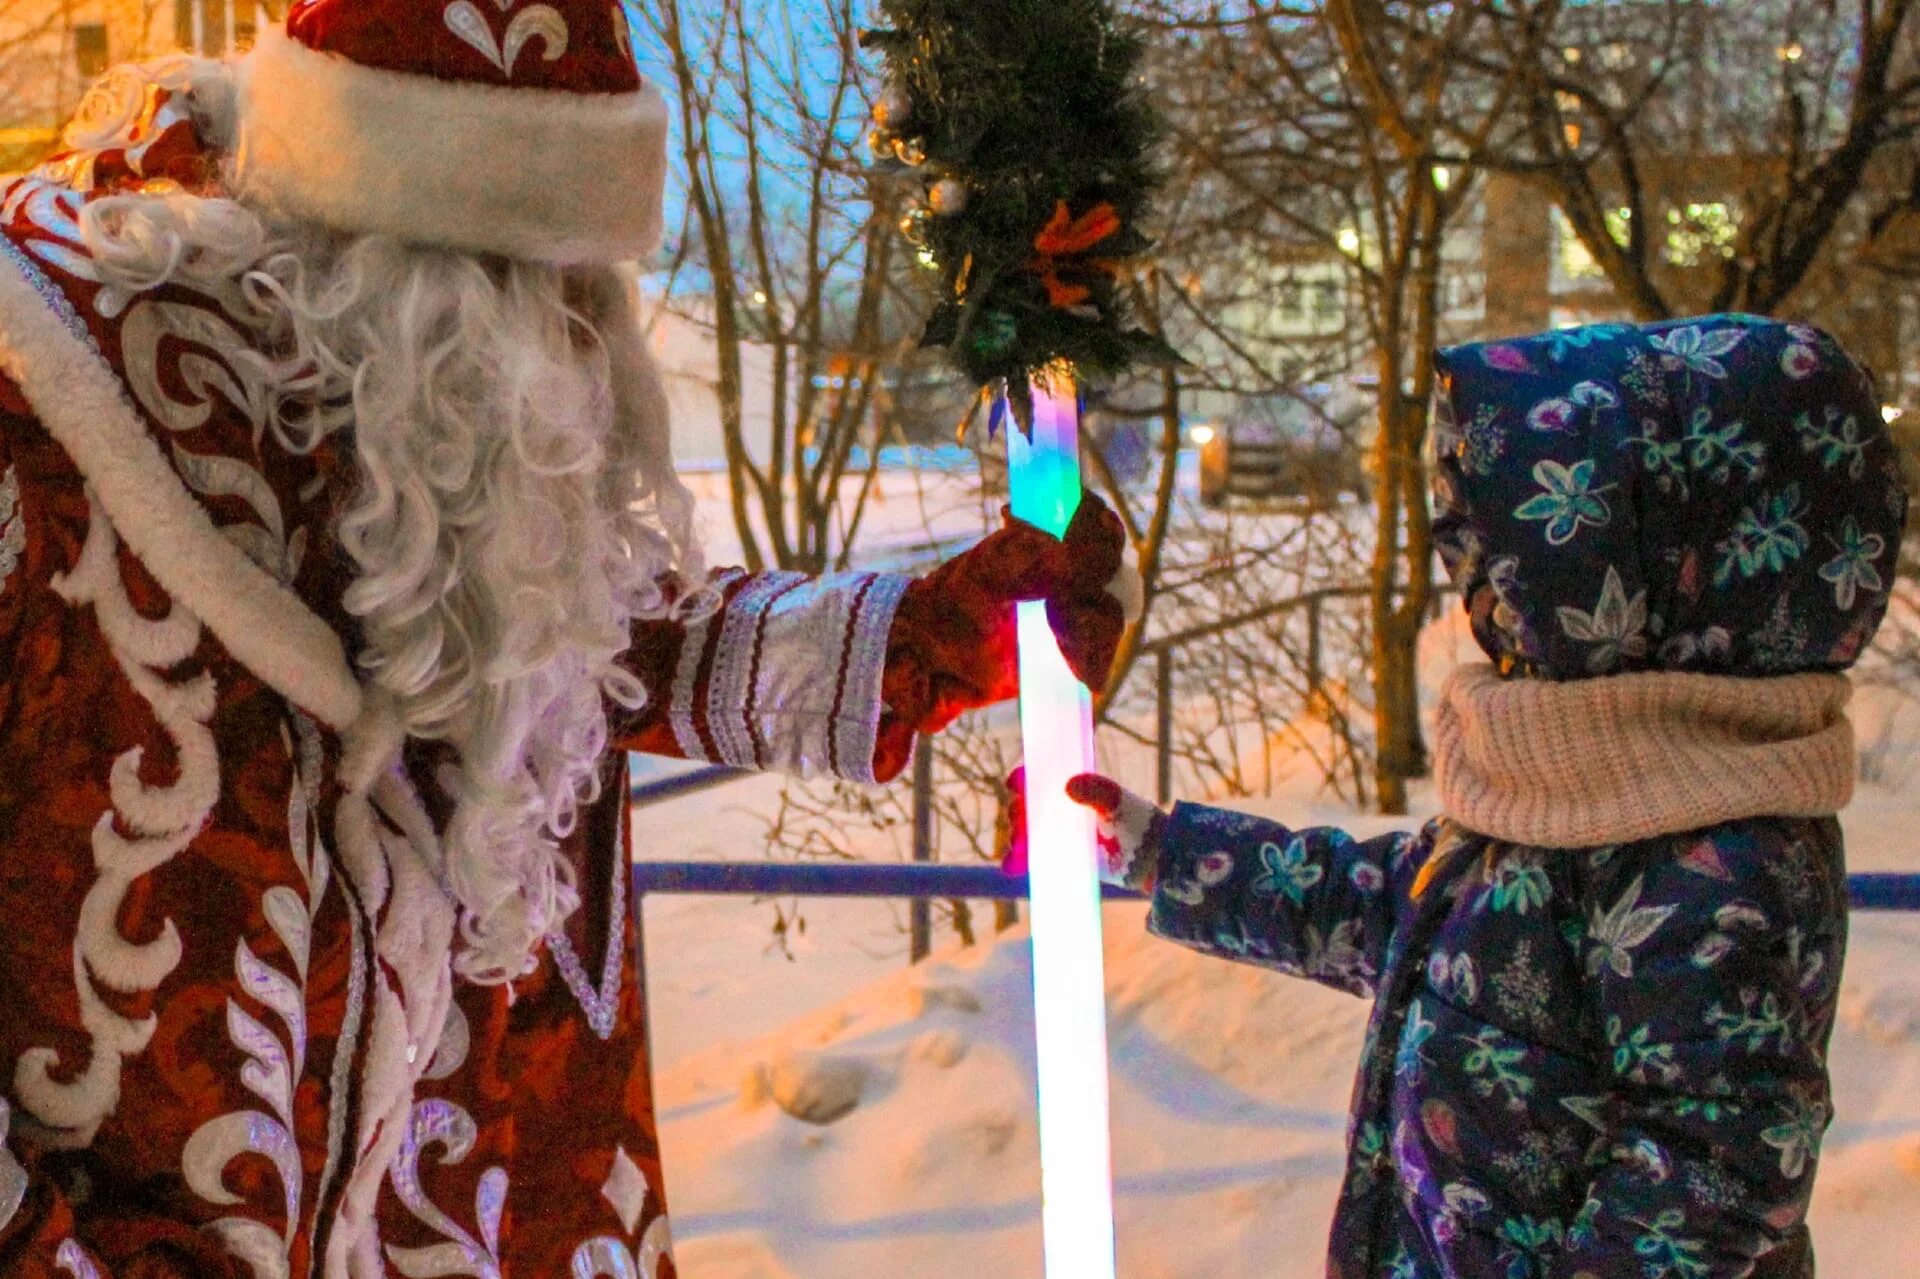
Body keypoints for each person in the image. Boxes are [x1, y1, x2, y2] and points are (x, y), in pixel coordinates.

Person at [0, 5, 1135, 1275]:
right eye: (542, 295)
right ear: (420, 280)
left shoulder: (410, 413)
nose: (580, 347)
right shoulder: (38, 409)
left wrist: (929, 635)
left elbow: (576, 626)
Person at [1007, 315, 1908, 1278]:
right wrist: (1167, 850)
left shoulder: (1718, 861)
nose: (1480, 590)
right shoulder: (1569, 773)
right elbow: (1396, 903)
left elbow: (1719, 1173)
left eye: (1515, 557)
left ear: (1657, 566)